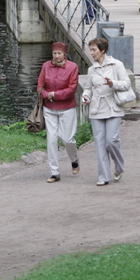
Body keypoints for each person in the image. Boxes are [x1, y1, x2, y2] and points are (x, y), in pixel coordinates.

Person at [81, 37, 130, 186]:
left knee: (112, 140)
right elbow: (88, 87)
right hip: (96, 108)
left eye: (94, 49)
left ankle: (119, 166)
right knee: (100, 143)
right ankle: (103, 176)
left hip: (113, 106)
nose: (92, 53)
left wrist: (112, 83)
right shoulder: (91, 69)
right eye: (91, 50)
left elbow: (126, 83)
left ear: (102, 50)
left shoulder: (117, 65)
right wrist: (85, 96)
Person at [37, 41, 80, 183]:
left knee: (67, 139)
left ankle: (74, 159)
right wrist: (46, 95)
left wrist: (54, 94)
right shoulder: (46, 66)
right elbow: (40, 87)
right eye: (54, 53)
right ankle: (54, 172)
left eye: (59, 53)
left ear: (65, 54)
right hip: (49, 109)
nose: (57, 56)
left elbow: (71, 89)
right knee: (51, 139)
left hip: (67, 108)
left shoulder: (72, 67)